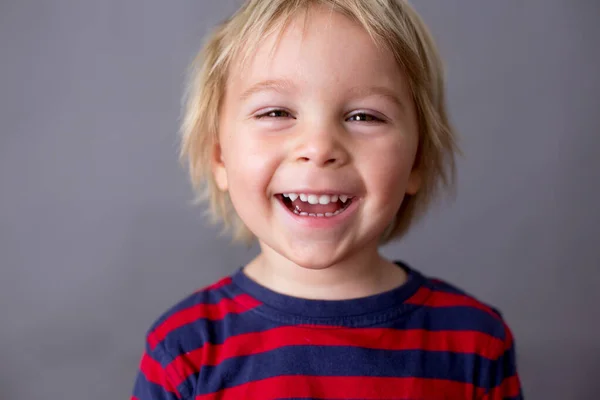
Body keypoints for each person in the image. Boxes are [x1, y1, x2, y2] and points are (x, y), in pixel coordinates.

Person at [131, 0, 523, 399]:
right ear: (219, 156)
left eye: (364, 117)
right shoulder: (183, 350)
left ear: (416, 159)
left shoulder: (475, 343)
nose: (319, 147)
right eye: (276, 112)